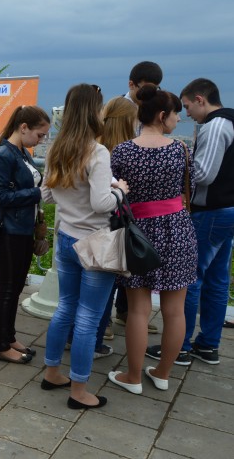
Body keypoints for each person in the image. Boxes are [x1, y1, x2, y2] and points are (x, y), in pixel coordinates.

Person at [40, 84, 128, 410]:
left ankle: (52, 372)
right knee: (89, 318)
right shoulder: (97, 152)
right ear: (94, 111)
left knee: (65, 308)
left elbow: (47, 195)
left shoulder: (55, 148)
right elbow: (102, 203)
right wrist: (121, 189)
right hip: (95, 243)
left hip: (65, 239)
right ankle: (78, 391)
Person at [107, 86, 196, 394]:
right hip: (177, 229)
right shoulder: (180, 150)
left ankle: (132, 377)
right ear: (162, 115)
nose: (177, 120)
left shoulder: (122, 150)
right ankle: (162, 373)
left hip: (137, 233)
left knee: (138, 310)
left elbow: (115, 194)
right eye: (175, 115)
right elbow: (192, 188)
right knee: (175, 310)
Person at [148, 78, 234, 367]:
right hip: (227, 210)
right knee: (217, 279)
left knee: (189, 278)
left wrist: (177, 167)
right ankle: (208, 344)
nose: (185, 114)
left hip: (211, 210)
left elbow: (203, 174)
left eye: (186, 106)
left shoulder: (215, 126)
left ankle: (179, 347)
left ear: (200, 99)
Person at [0, 106, 51, 363]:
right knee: (6, 289)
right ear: (23, 127)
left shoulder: (21, 151)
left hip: (22, 229)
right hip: (10, 231)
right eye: (40, 134)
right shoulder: (4, 154)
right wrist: (38, 193)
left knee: (14, 289)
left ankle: (9, 337)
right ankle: (0, 345)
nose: (42, 140)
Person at [116, 62, 163, 333]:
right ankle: (109, 316)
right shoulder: (118, 109)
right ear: (131, 84)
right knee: (114, 254)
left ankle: (126, 311)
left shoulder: (150, 110)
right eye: (144, 88)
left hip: (139, 198)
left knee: (133, 255)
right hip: (118, 191)